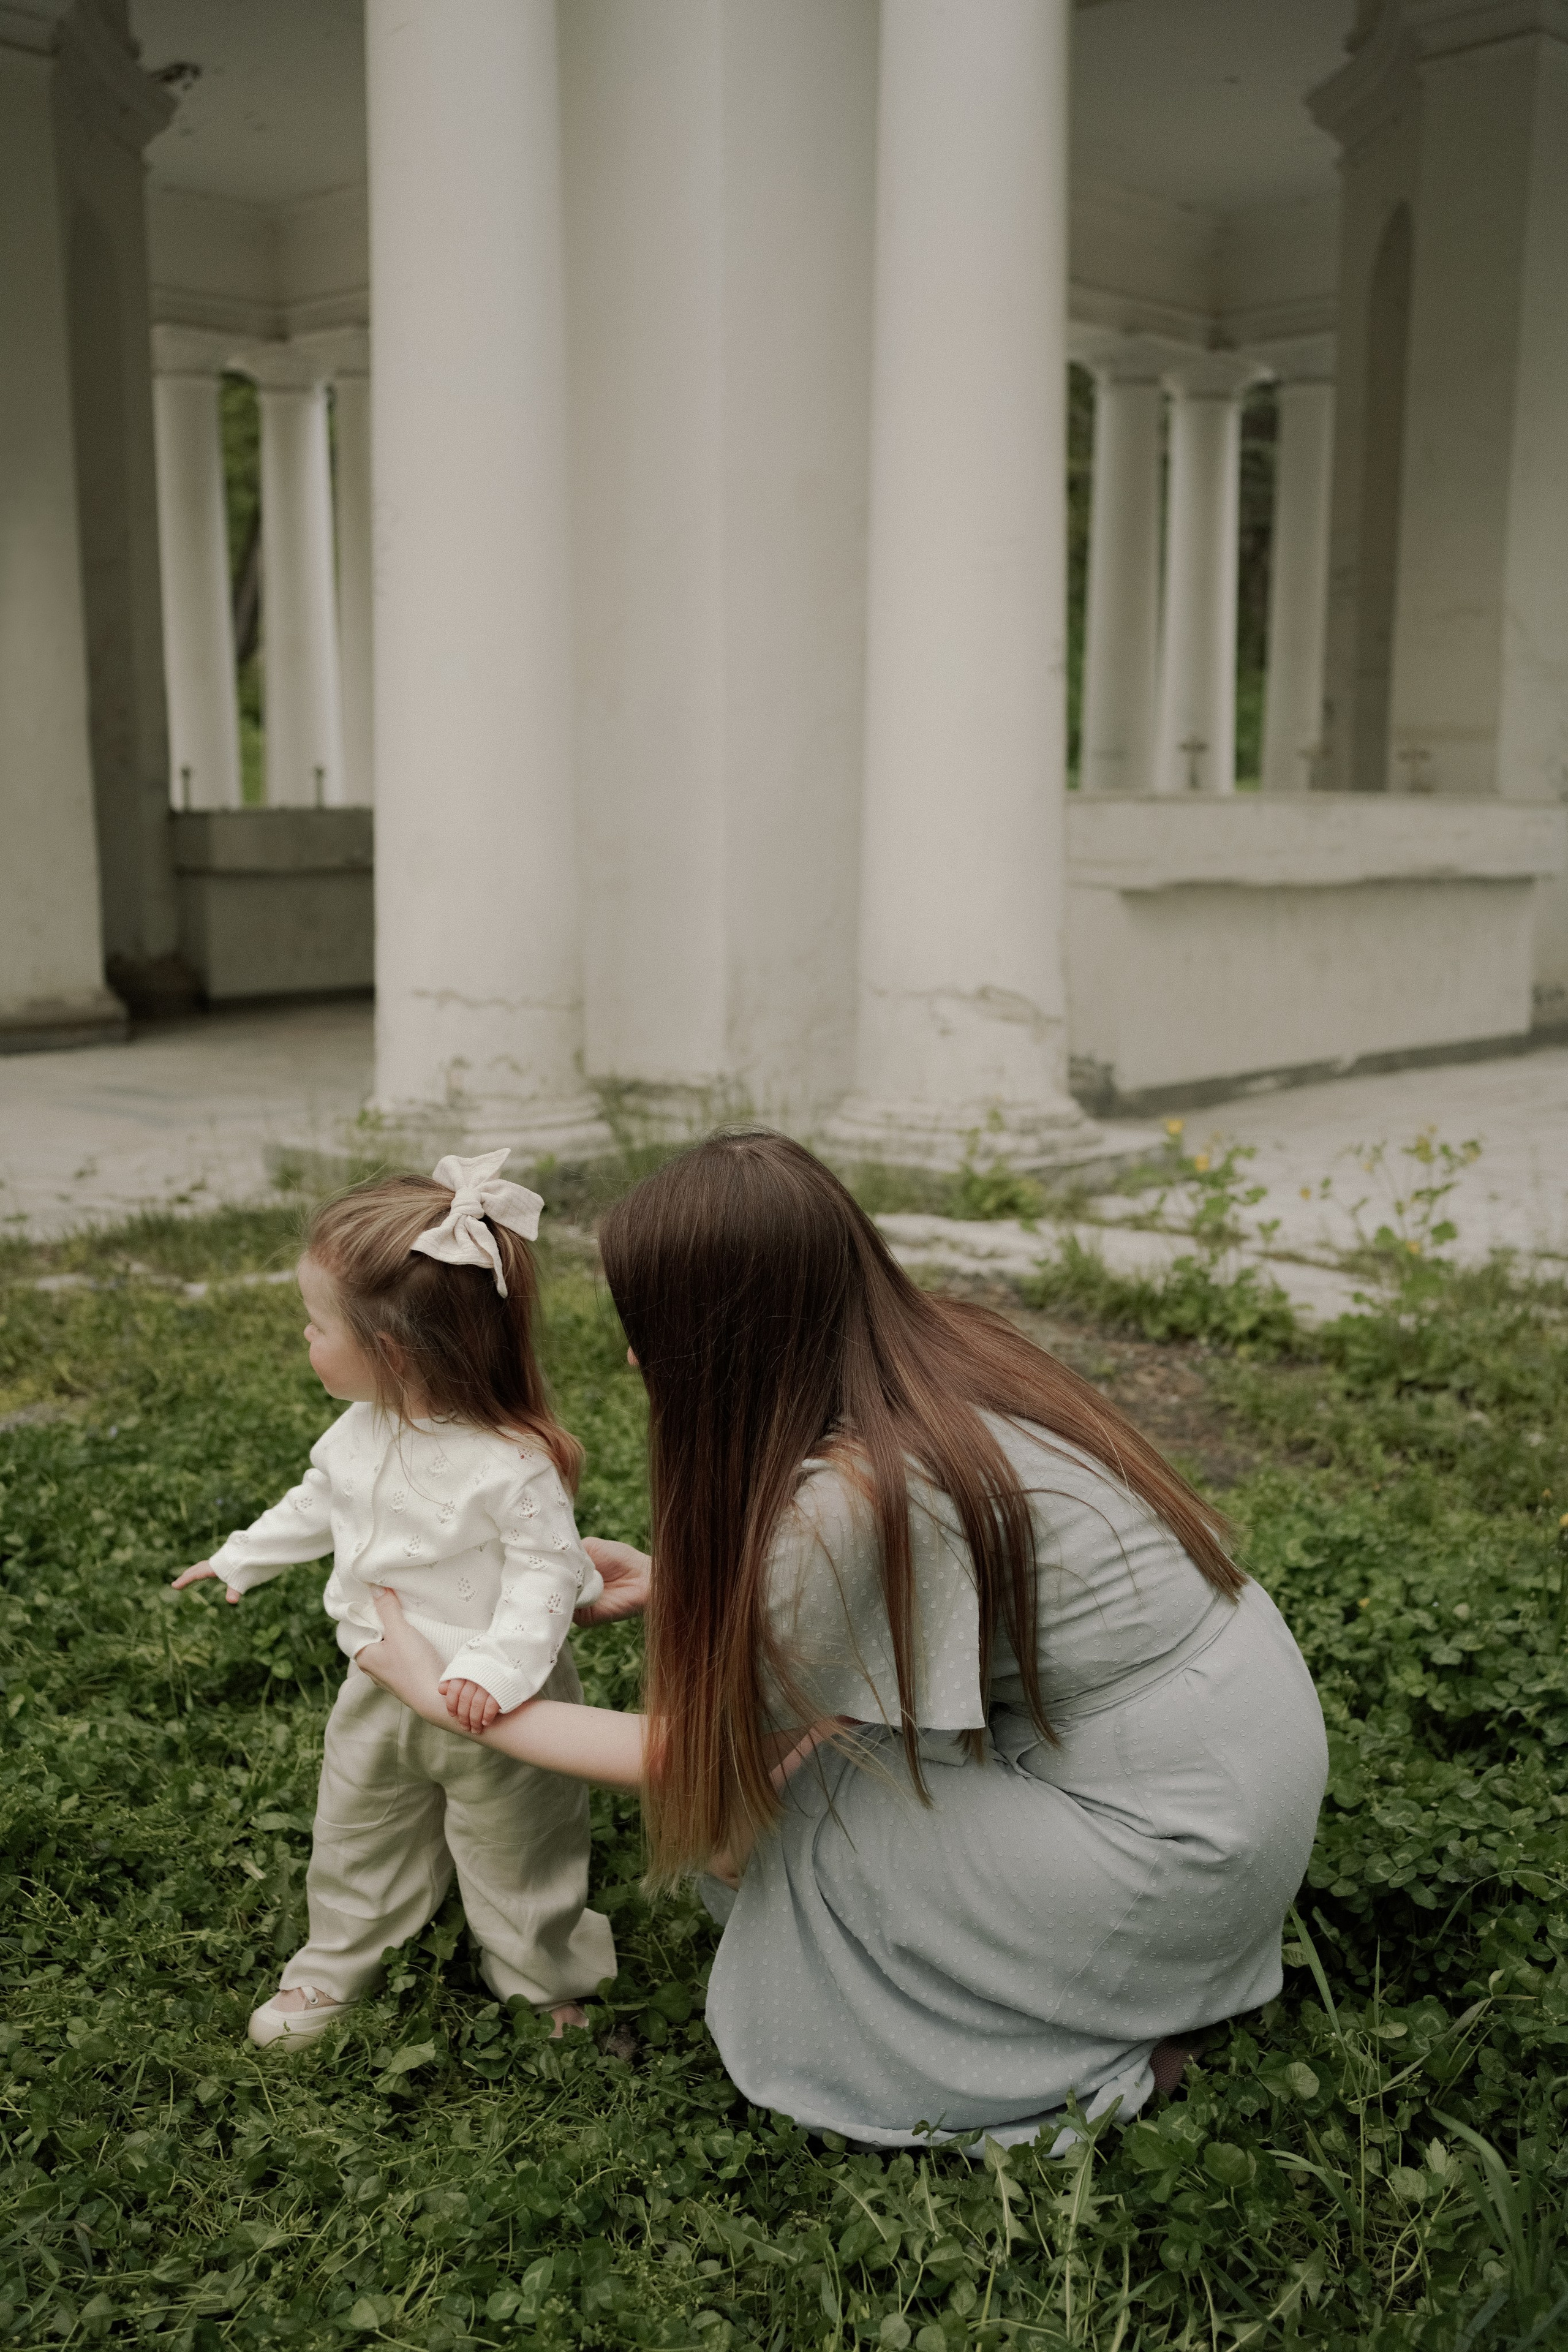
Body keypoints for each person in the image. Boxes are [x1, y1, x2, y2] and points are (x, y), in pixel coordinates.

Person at [358, 1130, 1327, 2147]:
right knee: (794, 1780)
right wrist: (681, 1579)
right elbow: (930, 1592)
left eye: (648, 1325)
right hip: (1233, 1761)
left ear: (727, 1336)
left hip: (1176, 1852)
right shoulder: (937, 1355)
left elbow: (687, 1753)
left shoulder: (856, 1498)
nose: (636, 1356)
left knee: (799, 1818)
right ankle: (1092, 1981)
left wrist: (453, 1698)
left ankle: (1088, 2059)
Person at [173, 1152, 615, 2051]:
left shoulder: (511, 1463)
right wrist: (244, 1556)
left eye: (315, 1325)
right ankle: (335, 1964)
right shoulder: (357, 1429)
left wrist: (493, 1671)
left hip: (502, 1700)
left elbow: (547, 1574)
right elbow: (318, 1502)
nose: (305, 1340)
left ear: (394, 1353)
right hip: (381, 1678)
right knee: (359, 1827)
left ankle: (542, 1973)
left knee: (519, 1844)